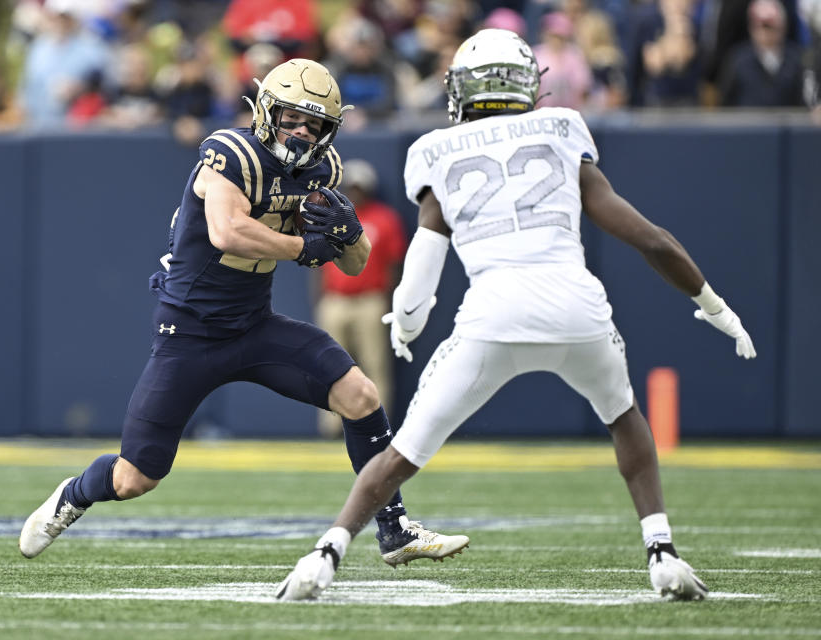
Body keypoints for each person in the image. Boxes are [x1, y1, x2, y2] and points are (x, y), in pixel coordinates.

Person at [276, 29, 756, 602]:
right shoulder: (561, 130)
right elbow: (652, 240)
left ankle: (324, 556)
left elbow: (420, 277)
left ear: (462, 88)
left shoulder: (437, 149)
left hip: (493, 317)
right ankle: (661, 552)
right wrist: (715, 306)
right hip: (579, 310)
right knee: (625, 418)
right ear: (528, 84)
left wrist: (404, 325)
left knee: (400, 455)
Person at [18, 58, 469, 568]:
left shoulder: (324, 169)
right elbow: (227, 231)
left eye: (315, 124)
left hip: (254, 326)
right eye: (292, 119)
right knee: (135, 477)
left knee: (361, 396)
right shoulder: (231, 152)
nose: (301, 132)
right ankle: (74, 495)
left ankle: (394, 530)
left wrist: (347, 232)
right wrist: (304, 245)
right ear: (266, 113)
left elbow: (357, 260)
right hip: (189, 332)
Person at [315, 159, 407, 439]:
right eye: (350, 187)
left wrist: (389, 299)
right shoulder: (331, 216)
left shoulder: (384, 217)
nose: (355, 193)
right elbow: (318, 262)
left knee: (374, 364)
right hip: (336, 299)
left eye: (359, 187)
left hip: (370, 299)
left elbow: (394, 264)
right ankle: (331, 429)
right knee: (327, 366)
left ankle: (379, 426)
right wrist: (320, 297)